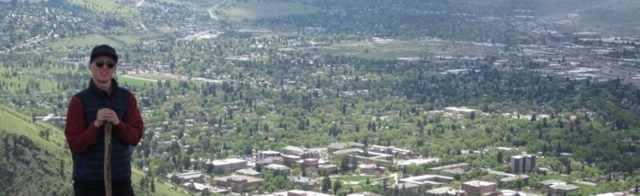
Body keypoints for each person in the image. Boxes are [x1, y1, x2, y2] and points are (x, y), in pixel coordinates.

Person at [64, 44, 144, 196]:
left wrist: (118, 123)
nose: (104, 67)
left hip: (120, 182)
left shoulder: (127, 99)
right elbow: (75, 145)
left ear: (115, 68)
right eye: (99, 63)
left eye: (110, 64)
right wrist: (96, 125)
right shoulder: (79, 102)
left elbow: (135, 137)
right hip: (88, 185)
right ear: (90, 66)